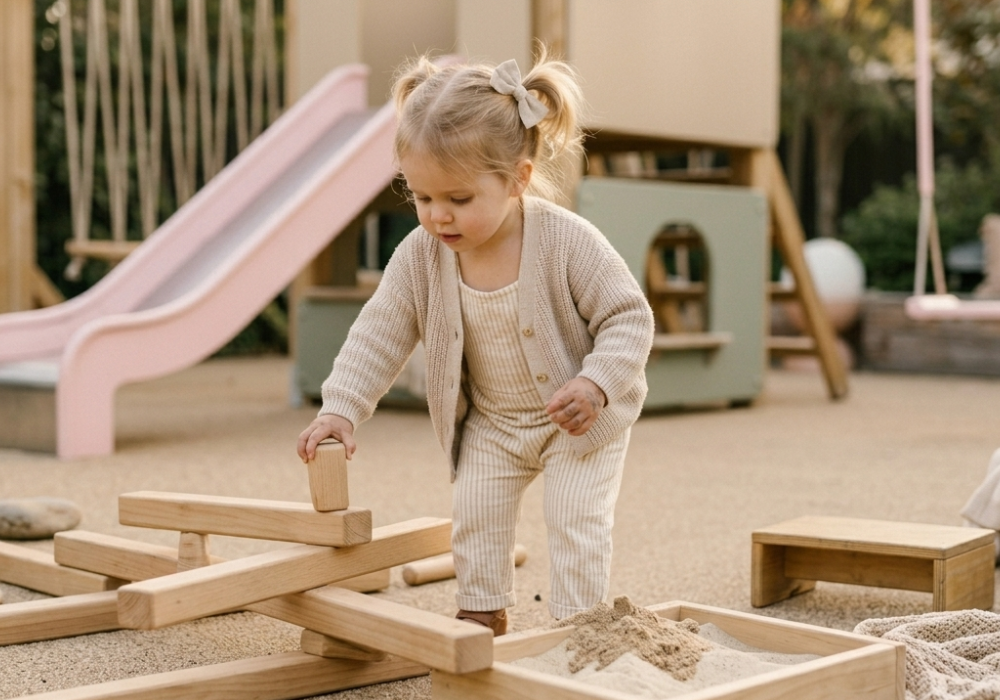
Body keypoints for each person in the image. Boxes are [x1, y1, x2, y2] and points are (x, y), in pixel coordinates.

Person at [297, 50, 655, 636]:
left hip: (580, 420)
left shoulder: (566, 241)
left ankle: (577, 629)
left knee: (575, 519)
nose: (438, 216)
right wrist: (341, 408)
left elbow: (629, 318)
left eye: (458, 199)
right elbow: (379, 332)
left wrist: (596, 383)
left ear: (517, 178)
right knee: (476, 512)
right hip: (492, 420)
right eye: (421, 197)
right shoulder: (420, 256)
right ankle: (482, 611)